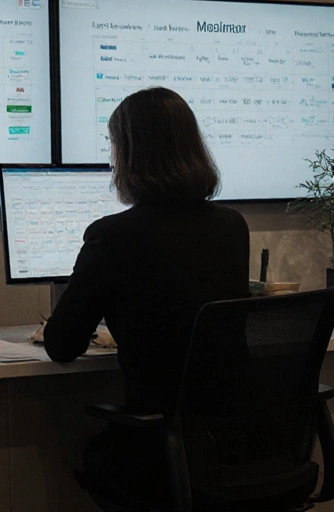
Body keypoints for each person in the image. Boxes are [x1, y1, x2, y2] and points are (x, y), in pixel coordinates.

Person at [45, 86, 250, 502]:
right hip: (239, 446)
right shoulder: (231, 226)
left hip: (161, 450)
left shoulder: (113, 236)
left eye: (113, 145)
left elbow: (62, 345)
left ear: (130, 153)